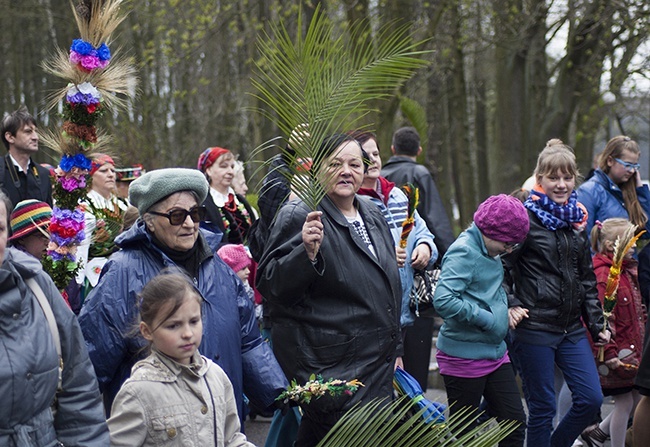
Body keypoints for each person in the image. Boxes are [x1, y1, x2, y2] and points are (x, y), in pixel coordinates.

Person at [78, 167, 288, 424]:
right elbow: (93, 356)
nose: (189, 223)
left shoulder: (218, 267)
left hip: (221, 422)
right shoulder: (123, 272)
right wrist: (78, 428)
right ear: (150, 220)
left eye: (195, 213)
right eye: (176, 216)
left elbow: (248, 341)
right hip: (158, 428)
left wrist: (276, 392)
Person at [257, 134, 402, 447]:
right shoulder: (299, 214)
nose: (346, 171)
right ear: (318, 170)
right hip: (334, 375)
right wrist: (305, 254)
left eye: (354, 164)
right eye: (335, 164)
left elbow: (385, 288)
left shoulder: (372, 212)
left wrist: (397, 349)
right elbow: (271, 284)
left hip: (377, 368)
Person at [502, 139, 611, 447]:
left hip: (571, 328)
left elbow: (586, 278)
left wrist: (597, 324)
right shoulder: (525, 220)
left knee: (591, 399)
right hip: (534, 328)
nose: (561, 185)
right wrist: (511, 304)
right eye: (554, 178)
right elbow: (501, 268)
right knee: (542, 408)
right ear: (541, 180)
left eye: (567, 177)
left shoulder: (576, 221)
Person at [0, 190, 109, 445]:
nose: (51, 243)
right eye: (41, 236)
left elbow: (78, 387)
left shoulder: (37, 284)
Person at [108, 272, 255, 447]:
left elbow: (232, 438)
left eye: (194, 321)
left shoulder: (216, 376)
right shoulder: (138, 391)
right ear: (147, 331)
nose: (187, 333)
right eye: (173, 325)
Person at [434, 194, 529, 446]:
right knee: (465, 435)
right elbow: (443, 299)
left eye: (514, 245)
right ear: (490, 231)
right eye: (507, 244)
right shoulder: (464, 251)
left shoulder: (491, 250)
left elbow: (488, 290)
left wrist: (505, 309)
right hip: (464, 357)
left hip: (496, 353)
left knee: (515, 423)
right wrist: (486, 319)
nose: (509, 250)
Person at [381, 126, 455, 390]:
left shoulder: (381, 177)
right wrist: (449, 259)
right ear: (419, 151)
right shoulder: (420, 173)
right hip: (415, 274)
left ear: (392, 150)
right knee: (415, 358)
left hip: (389, 279)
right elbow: (435, 219)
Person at [353, 130, 437, 333]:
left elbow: (423, 232)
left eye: (375, 154)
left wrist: (425, 248)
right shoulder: (352, 203)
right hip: (377, 315)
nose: (372, 160)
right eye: (365, 156)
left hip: (413, 305)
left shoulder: (399, 195)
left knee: (415, 366)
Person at [581, 218, 646, 447]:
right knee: (624, 403)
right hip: (617, 353)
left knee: (637, 397)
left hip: (632, 350)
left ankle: (598, 433)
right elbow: (602, 318)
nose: (636, 246)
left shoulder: (629, 271)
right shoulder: (605, 276)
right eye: (631, 241)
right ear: (612, 246)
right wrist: (609, 352)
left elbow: (639, 309)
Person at [77, 154, 130, 300]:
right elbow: (81, 248)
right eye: (104, 171)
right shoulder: (85, 206)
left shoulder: (124, 204)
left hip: (124, 270)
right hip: (94, 274)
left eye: (113, 171)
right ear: (91, 176)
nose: (110, 175)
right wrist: (77, 283)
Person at [577, 135, 650, 238]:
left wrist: (641, 190)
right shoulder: (589, 192)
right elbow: (583, 238)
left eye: (635, 166)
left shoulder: (628, 192)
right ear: (610, 161)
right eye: (627, 165)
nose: (632, 171)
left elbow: (646, 231)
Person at [197, 147, 257, 245]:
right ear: (208, 170)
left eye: (232, 167)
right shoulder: (203, 204)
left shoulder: (240, 200)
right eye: (224, 166)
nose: (230, 171)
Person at [0, 106, 52, 207]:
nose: (36, 137)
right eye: (28, 132)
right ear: (10, 137)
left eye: (35, 131)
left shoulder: (44, 174)